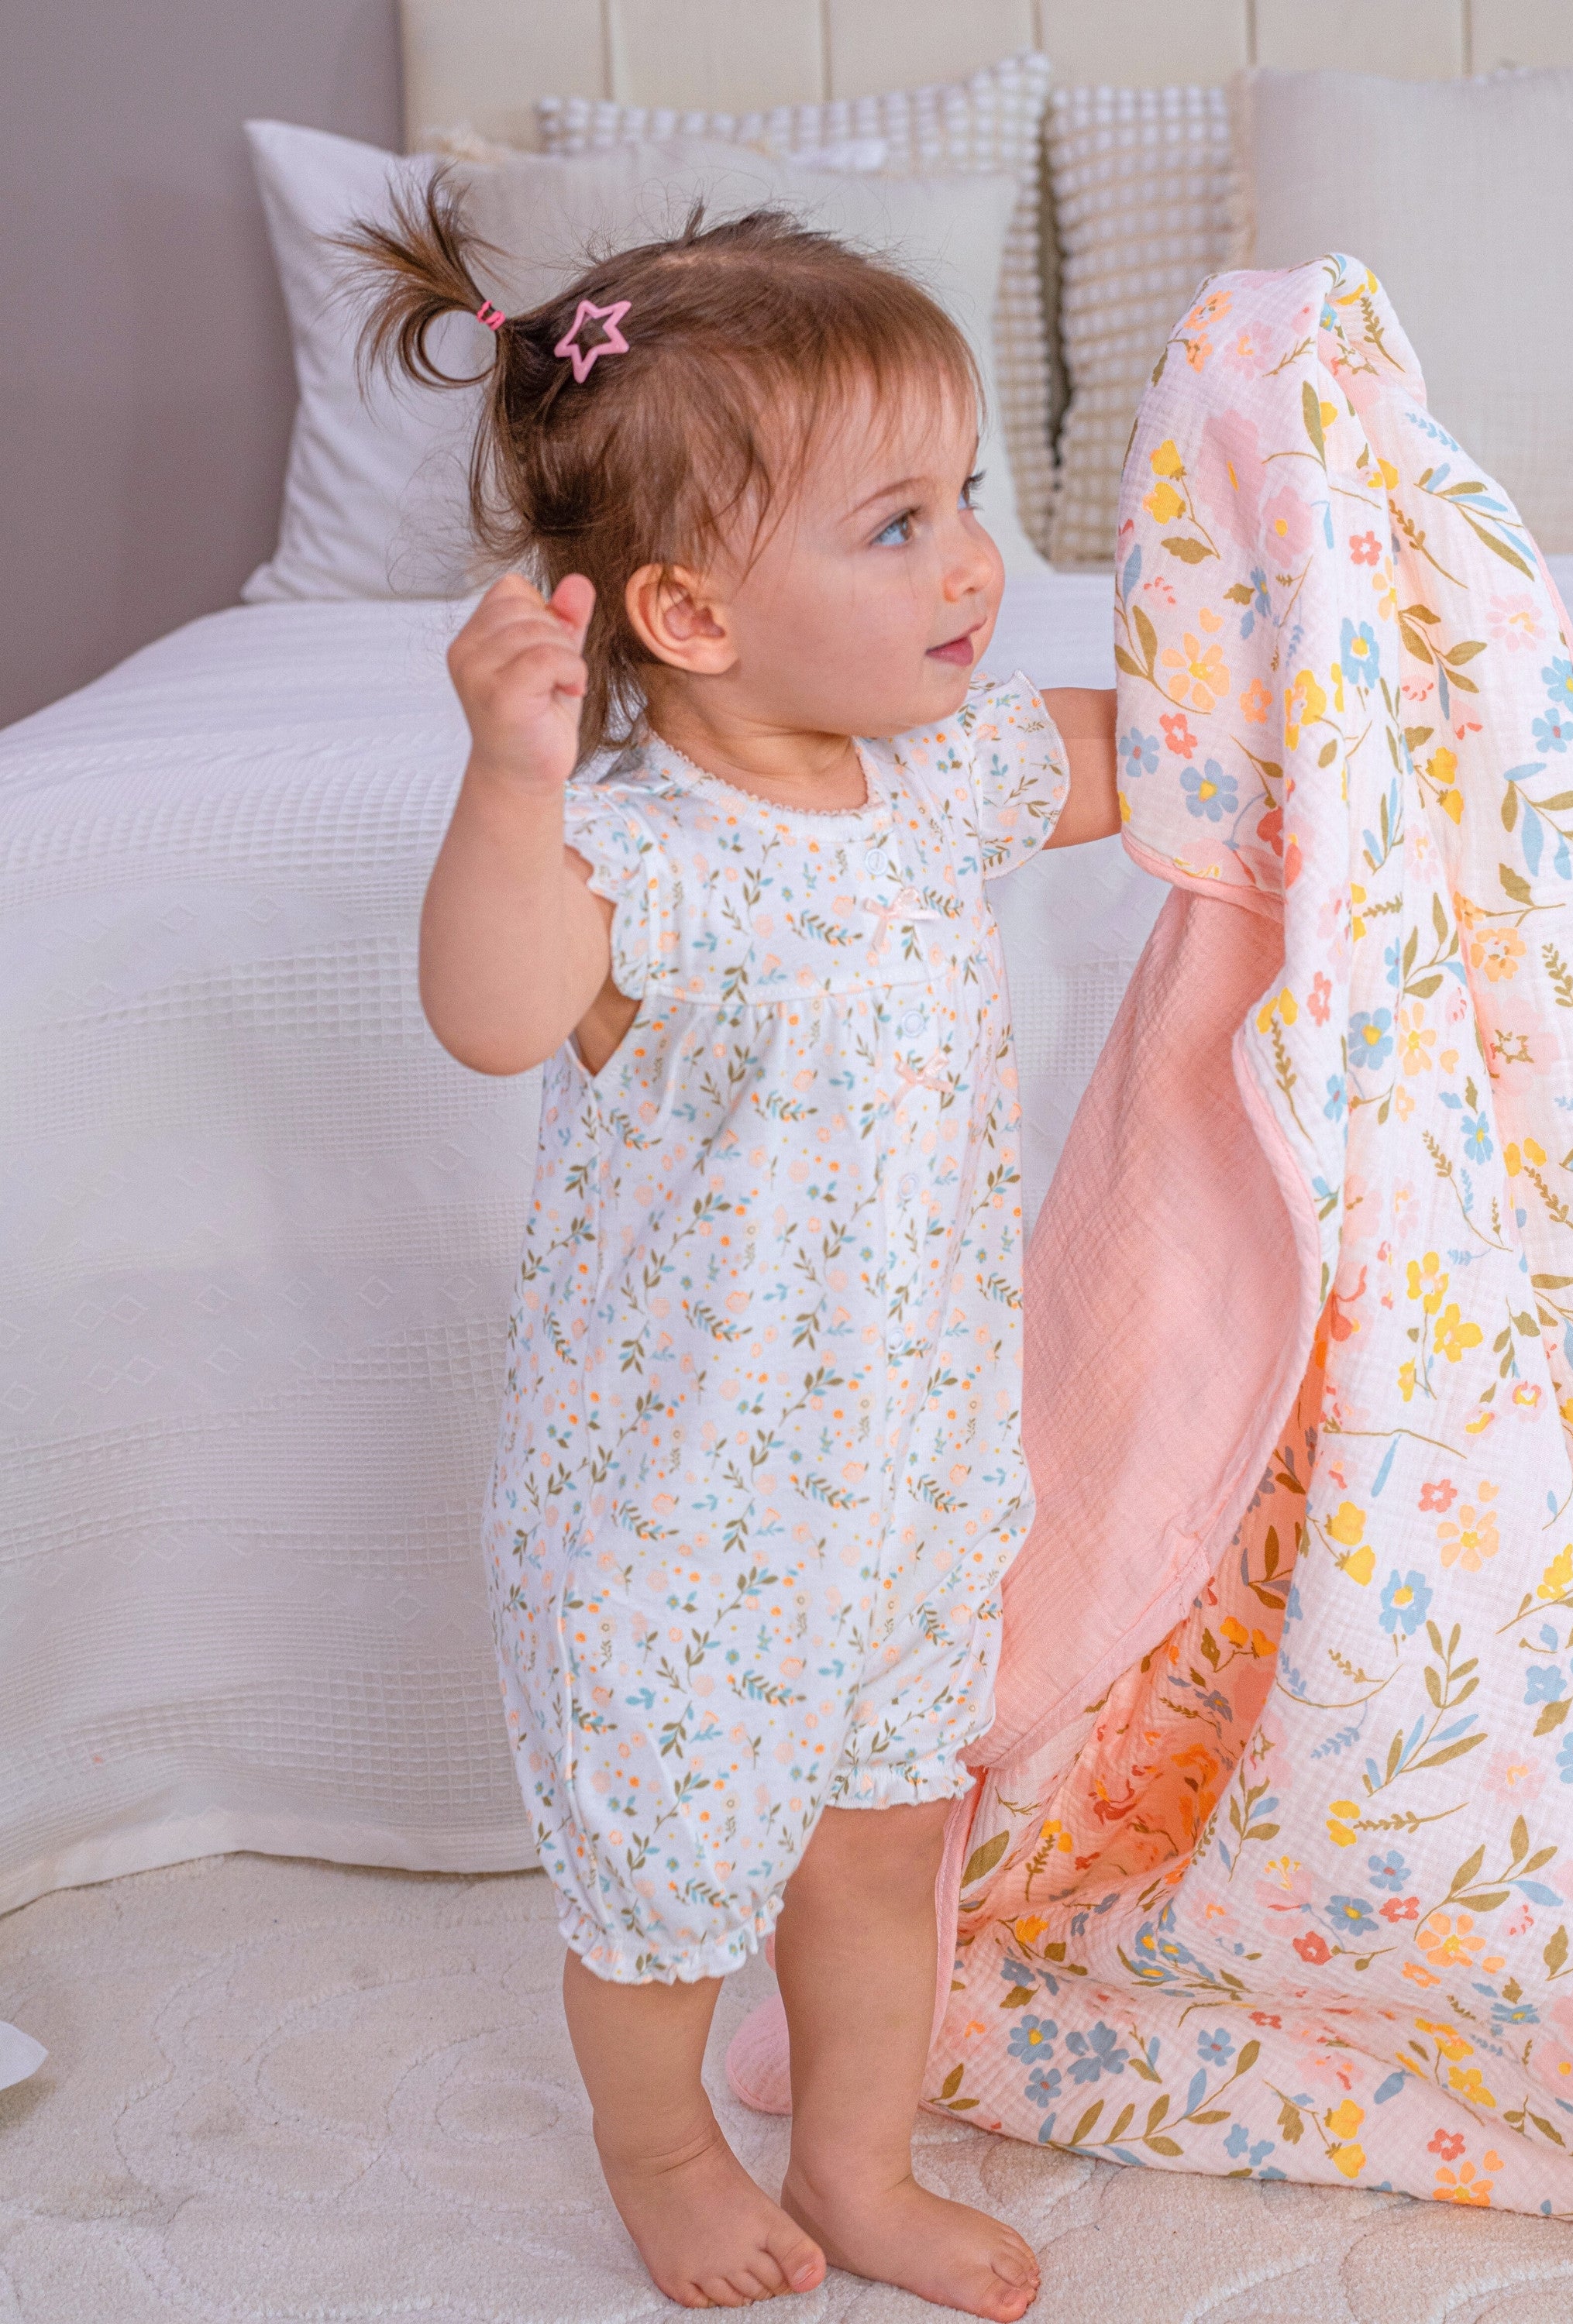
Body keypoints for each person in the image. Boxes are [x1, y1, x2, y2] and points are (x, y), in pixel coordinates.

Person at [345, 183, 1120, 2316]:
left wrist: (1315, 645)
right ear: (686, 618)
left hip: (907, 1478)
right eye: (899, 527)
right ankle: (668, 2140)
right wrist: (508, 779)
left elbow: (1137, 758)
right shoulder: (627, 853)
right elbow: (490, 1010)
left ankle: (857, 2165)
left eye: (966, 500)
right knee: (672, 1898)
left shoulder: (937, 778)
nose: (972, 562)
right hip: (674, 1521)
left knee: (884, 1847)